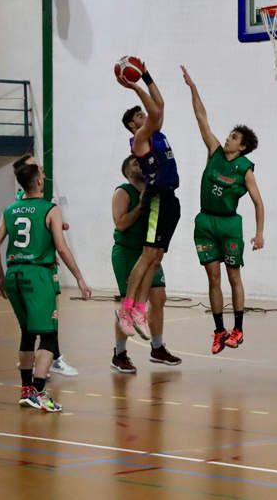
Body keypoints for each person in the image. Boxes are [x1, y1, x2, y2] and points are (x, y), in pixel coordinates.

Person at [0, 161, 91, 412]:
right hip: (38, 276)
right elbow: (61, 247)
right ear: (38, 181)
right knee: (48, 335)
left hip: (14, 274)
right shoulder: (50, 209)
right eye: (42, 175)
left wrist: (1, 278)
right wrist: (79, 277)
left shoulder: (10, 209)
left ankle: (25, 390)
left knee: (26, 332)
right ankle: (39, 393)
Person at [181, 65, 265, 354]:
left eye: (233, 137)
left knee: (233, 277)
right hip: (205, 222)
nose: (228, 137)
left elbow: (258, 201)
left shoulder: (245, 169)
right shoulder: (214, 151)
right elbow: (201, 117)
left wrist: (259, 233)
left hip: (229, 224)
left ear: (242, 147)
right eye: (229, 134)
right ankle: (219, 331)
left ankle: (238, 330)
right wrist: (193, 88)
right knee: (213, 277)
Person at [115, 60, 180, 341]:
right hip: (155, 197)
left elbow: (160, 106)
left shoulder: (156, 132)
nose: (145, 115)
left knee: (157, 255)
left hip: (170, 198)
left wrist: (147, 75)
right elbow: (155, 110)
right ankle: (127, 309)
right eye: (139, 115)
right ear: (133, 124)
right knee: (147, 255)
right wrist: (135, 85)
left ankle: (140, 308)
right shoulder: (141, 138)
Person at [110, 155, 181, 372]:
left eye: (139, 162)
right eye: (133, 163)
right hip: (127, 253)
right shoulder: (123, 191)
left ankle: (157, 348)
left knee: (159, 297)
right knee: (127, 303)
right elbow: (120, 224)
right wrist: (141, 205)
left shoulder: (154, 190)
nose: (139, 165)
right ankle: (119, 353)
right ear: (126, 172)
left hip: (148, 253)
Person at [11, 153, 78, 378]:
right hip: (38, 269)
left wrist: (56, 227)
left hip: (25, 268)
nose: (40, 168)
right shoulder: (29, 198)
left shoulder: (24, 201)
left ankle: (41, 364)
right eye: (35, 166)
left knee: (38, 322)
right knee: (47, 319)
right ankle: (50, 360)